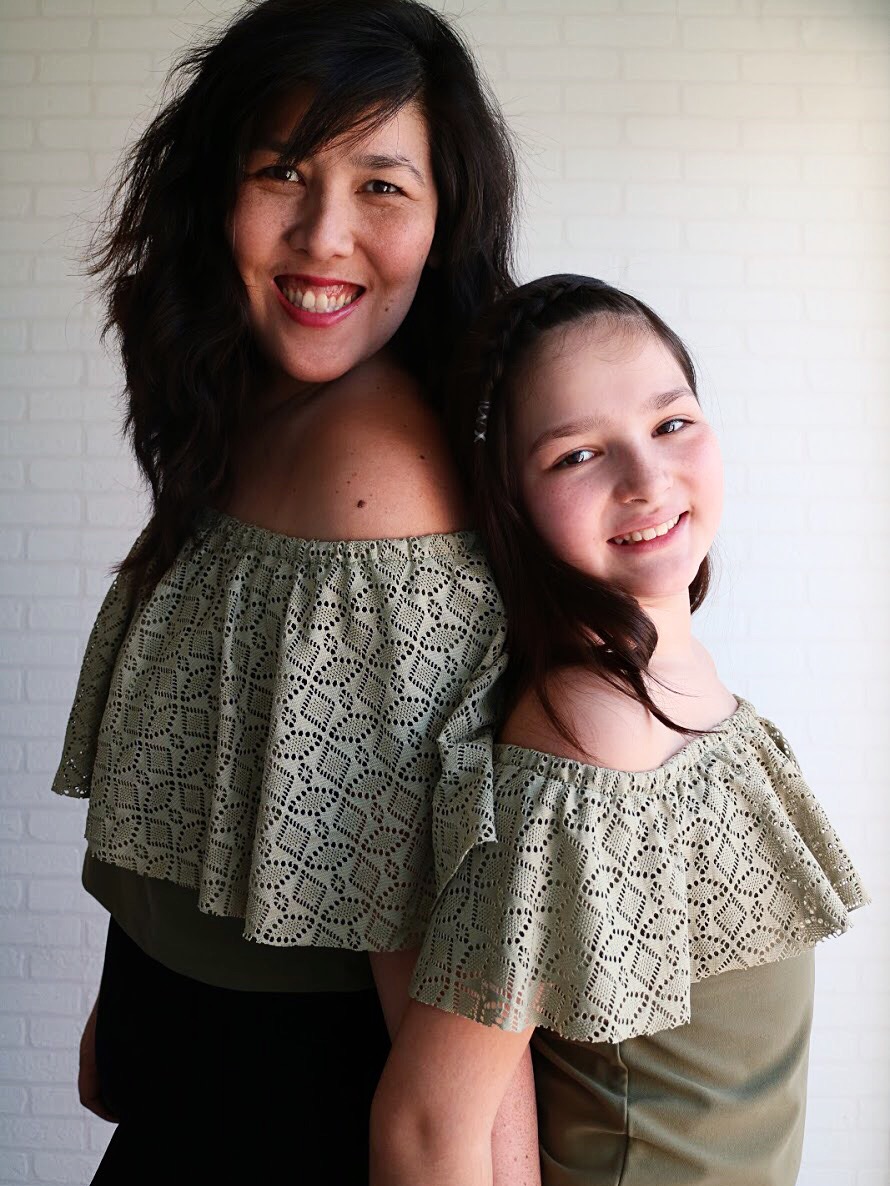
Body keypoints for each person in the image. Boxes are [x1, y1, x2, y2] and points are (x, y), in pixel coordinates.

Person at [51, 2, 542, 1182]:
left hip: (298, 1125)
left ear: (445, 218)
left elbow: (449, 977)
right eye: (282, 172)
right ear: (214, 190)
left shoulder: (373, 481)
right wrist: (126, 1003)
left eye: (381, 186)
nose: (323, 236)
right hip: (194, 1092)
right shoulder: (257, 411)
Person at [371, 275, 869, 1186]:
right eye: (576, 455)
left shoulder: (670, 670)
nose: (647, 479)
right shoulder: (591, 740)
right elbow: (427, 1125)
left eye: (671, 423)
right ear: (509, 502)